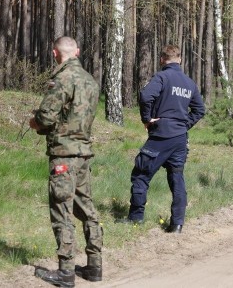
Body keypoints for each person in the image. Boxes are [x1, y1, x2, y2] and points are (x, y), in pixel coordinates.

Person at [29, 36, 103, 287]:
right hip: (84, 154)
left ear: (54, 54)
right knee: (87, 208)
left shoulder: (62, 80)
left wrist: (35, 123)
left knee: (62, 210)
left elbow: (46, 117)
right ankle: (94, 266)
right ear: (78, 52)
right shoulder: (91, 81)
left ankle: (66, 271)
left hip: (63, 155)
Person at [119, 45, 205, 233]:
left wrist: (147, 119)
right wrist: (185, 124)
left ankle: (135, 218)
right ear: (180, 59)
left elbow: (145, 95)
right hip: (180, 139)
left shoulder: (162, 77)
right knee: (177, 178)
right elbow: (200, 110)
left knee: (141, 173)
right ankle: (177, 224)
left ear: (161, 60)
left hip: (161, 136)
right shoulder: (189, 83)